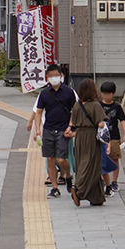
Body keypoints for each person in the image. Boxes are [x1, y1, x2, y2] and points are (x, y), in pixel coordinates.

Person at [29, 64, 78, 198]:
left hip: (63, 129)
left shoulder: (69, 92)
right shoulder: (44, 93)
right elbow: (38, 112)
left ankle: (68, 175)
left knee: (61, 159)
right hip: (48, 129)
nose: (53, 78)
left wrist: (70, 125)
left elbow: (75, 110)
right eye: (50, 76)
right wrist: (37, 129)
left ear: (61, 76)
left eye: (55, 76)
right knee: (50, 159)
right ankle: (55, 188)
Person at [65, 78, 107, 207]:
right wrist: (103, 124)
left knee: (82, 162)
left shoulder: (77, 105)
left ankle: (96, 197)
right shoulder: (95, 105)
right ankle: (79, 191)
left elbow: (74, 122)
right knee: (92, 165)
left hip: (79, 136)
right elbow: (100, 122)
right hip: (91, 136)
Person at [99, 81, 125, 194]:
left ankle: (114, 181)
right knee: (102, 159)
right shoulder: (98, 105)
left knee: (115, 158)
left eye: (108, 93)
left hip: (114, 136)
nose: (106, 96)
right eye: (104, 93)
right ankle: (103, 180)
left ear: (113, 93)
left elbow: (123, 121)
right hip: (101, 137)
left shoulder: (117, 107)